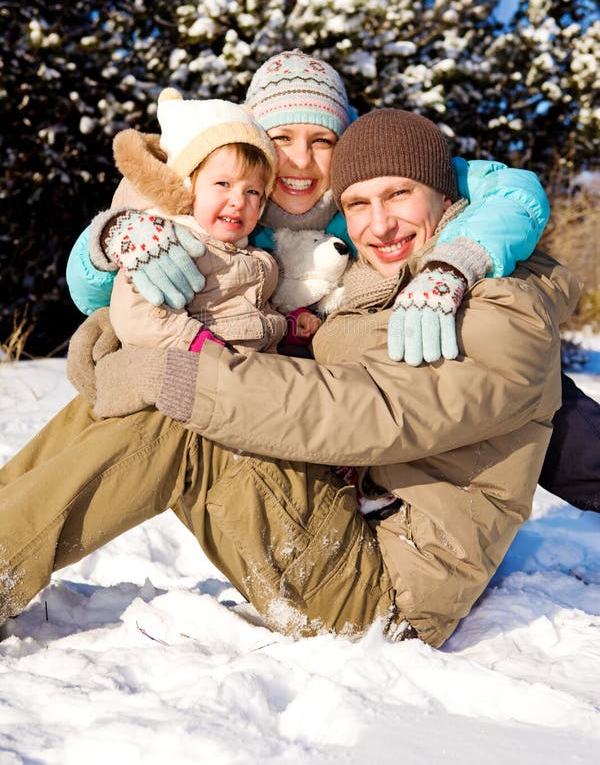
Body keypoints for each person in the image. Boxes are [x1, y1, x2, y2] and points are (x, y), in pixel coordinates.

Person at [0, 108, 580, 648]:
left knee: (183, 406)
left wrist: (171, 372)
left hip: (384, 593)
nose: (379, 224)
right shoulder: (379, 282)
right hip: (345, 518)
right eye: (357, 204)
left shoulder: (502, 306)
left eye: (399, 194)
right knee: (168, 384)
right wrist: (119, 308)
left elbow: (367, 412)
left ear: (443, 192)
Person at [64, 50, 600, 510]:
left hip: (382, 335)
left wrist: (453, 263)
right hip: (264, 369)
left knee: (529, 388)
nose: (301, 160)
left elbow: (513, 191)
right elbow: (91, 295)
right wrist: (111, 239)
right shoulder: (229, 196)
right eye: (281, 138)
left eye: (322, 139)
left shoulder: (371, 172)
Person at [107, 88, 288, 355]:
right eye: (223, 184)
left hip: (255, 373)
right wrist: (193, 341)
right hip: (199, 375)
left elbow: (252, 313)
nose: (238, 201)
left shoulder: (256, 257)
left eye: (252, 192)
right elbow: (133, 314)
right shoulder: (169, 247)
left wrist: (289, 325)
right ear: (187, 186)